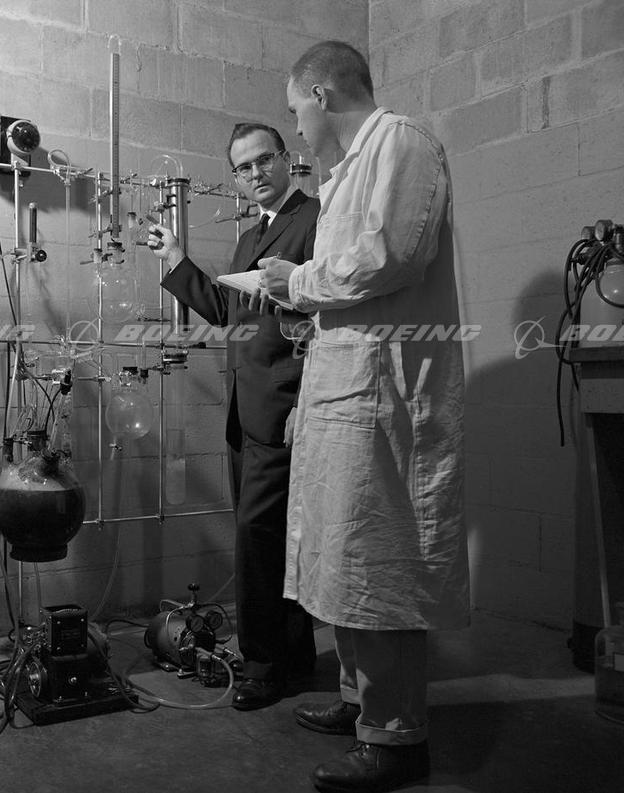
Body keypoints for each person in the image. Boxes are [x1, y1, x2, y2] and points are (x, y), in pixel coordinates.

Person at [251, 41, 469, 792]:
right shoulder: (346, 172)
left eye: (295, 111)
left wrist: (296, 280)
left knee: (375, 555)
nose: (297, 127)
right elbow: (351, 294)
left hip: (384, 396)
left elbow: (391, 256)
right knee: (341, 553)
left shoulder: (401, 142)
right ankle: (358, 698)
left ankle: (397, 736)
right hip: (345, 389)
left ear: (320, 93)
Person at [146, 122, 319, 710]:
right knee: (274, 537)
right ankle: (294, 654)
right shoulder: (251, 239)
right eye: (243, 168)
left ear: (286, 159)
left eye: (263, 160)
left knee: (259, 538)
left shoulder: (316, 219)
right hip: (247, 412)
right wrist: (176, 259)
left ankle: (263, 666)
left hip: (286, 407)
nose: (255, 174)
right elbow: (228, 310)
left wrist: (305, 401)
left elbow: (327, 312)